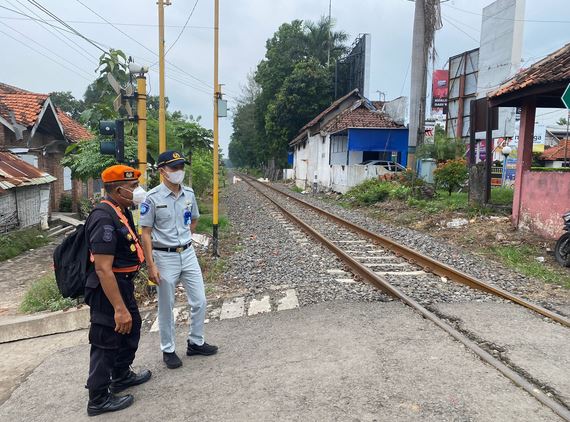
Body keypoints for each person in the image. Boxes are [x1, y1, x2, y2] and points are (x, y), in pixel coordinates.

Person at [140, 150, 218, 369]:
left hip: (188, 253)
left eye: (182, 167)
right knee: (167, 306)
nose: (179, 172)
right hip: (164, 257)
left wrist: (184, 239)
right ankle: (168, 349)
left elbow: (192, 220)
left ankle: (196, 342)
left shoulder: (189, 194)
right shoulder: (152, 198)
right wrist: (151, 264)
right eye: (175, 168)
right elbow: (145, 232)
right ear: (162, 171)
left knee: (200, 300)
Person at [84, 165, 151, 416]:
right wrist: (119, 308)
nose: (137, 191)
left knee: (131, 328)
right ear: (118, 189)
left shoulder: (119, 210)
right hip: (107, 289)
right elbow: (102, 269)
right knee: (106, 340)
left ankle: (121, 375)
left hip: (122, 284)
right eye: (133, 187)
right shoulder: (103, 218)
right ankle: (98, 398)